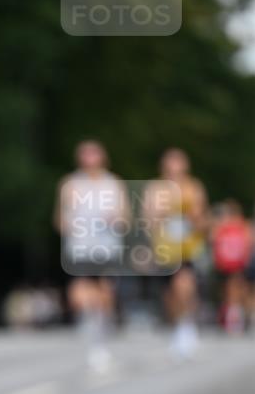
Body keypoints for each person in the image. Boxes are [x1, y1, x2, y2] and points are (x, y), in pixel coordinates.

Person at [54, 140, 130, 371]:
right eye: (85, 156)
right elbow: (59, 218)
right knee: (78, 296)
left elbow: (126, 218)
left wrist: (115, 219)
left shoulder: (113, 184)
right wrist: (67, 224)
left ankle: (101, 338)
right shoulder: (70, 184)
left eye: (93, 155)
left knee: (104, 294)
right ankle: (91, 325)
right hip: (80, 247)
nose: (89, 160)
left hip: (106, 247)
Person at [143, 148, 208, 357]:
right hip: (164, 247)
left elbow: (202, 219)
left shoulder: (193, 187)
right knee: (169, 293)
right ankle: (177, 328)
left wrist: (194, 217)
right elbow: (147, 220)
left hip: (187, 247)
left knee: (185, 286)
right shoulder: (155, 188)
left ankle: (187, 326)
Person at [211, 199, 253, 334]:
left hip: (242, 267)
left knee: (241, 285)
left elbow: (247, 248)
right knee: (232, 285)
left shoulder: (245, 228)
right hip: (225, 269)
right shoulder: (219, 228)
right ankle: (234, 316)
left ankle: (244, 316)